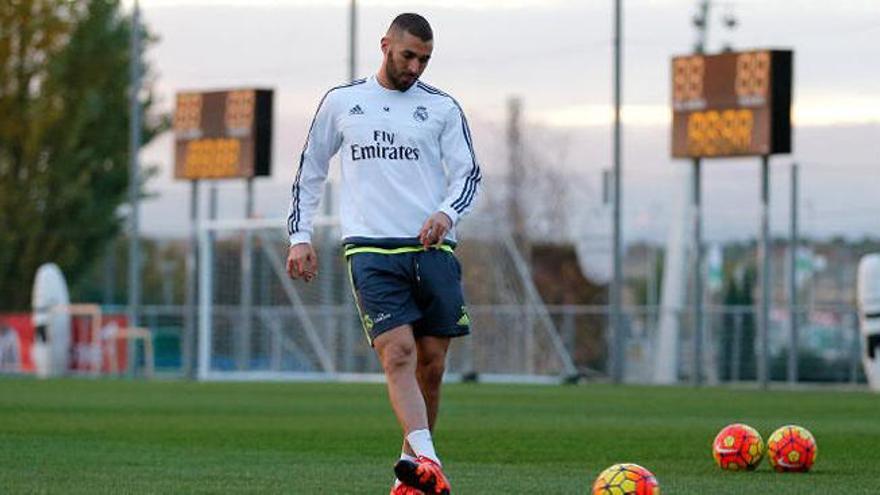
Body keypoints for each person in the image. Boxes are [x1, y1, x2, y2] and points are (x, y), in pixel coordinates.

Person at [285, 12, 481, 495]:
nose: (416, 67)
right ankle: (432, 462)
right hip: (371, 250)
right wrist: (300, 236)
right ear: (385, 45)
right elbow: (310, 169)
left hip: (431, 248)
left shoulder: (442, 109)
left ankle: (411, 473)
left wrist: (445, 214)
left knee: (430, 365)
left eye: (425, 59)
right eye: (408, 55)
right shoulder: (342, 102)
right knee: (398, 354)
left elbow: (468, 175)